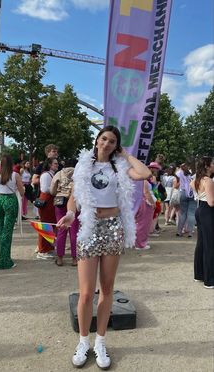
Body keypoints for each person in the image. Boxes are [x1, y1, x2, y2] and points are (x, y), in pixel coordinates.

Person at [57, 126, 151, 370]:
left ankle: (100, 341)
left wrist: (126, 154)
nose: (107, 143)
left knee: (107, 289)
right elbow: (74, 197)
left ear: (115, 146)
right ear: (97, 140)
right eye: (104, 139)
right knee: (86, 292)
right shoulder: (83, 166)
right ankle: (83, 342)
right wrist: (69, 213)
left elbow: (144, 173)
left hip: (112, 229)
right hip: (88, 228)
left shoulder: (119, 167)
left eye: (112, 141)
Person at [0, 154, 25, 269]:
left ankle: (2, 256)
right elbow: (22, 192)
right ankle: (4, 261)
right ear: (11, 163)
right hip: (10, 201)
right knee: (7, 232)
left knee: (1, 230)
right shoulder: (15, 175)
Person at [190, 156, 214, 289]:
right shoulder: (208, 181)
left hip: (200, 210)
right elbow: (211, 202)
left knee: (201, 243)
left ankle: (199, 274)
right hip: (208, 212)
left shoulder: (195, 180)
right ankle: (209, 280)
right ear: (207, 166)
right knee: (210, 245)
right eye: (213, 163)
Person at [50, 159, 79, 266]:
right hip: (74, 202)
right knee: (74, 231)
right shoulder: (79, 173)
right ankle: (75, 258)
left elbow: (52, 190)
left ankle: (60, 258)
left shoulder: (59, 173)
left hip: (60, 202)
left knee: (61, 229)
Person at [36, 157, 58, 259]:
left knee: (50, 224)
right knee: (45, 225)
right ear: (49, 164)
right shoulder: (46, 175)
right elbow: (45, 189)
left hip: (50, 201)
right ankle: (42, 250)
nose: (57, 165)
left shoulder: (51, 174)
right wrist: (56, 189)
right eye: (55, 163)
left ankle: (47, 247)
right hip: (46, 201)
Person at [176, 162, 196, 237]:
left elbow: (177, 174)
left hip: (183, 192)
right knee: (191, 213)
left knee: (182, 213)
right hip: (192, 193)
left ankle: (179, 231)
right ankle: (190, 232)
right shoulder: (194, 173)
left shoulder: (179, 172)